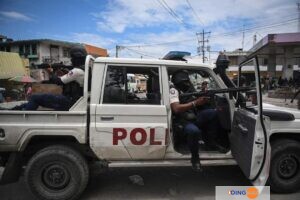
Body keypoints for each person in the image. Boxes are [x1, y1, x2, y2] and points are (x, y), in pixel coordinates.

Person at [170, 70, 225, 172]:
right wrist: (195, 103)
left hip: (194, 116)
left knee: (214, 113)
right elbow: (176, 108)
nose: (188, 83)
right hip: (182, 120)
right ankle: (195, 158)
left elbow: (196, 100)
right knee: (194, 131)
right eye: (186, 81)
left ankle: (210, 142)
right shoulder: (174, 90)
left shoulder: (188, 89)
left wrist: (204, 98)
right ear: (180, 81)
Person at [11, 46, 87, 111]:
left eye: (72, 58)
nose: (71, 60)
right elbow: (69, 80)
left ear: (77, 58)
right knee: (35, 100)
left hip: (69, 101)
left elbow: (58, 81)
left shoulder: (77, 71)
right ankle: (15, 109)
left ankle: (25, 117)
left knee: (34, 97)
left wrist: (51, 72)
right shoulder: (84, 70)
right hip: (74, 100)